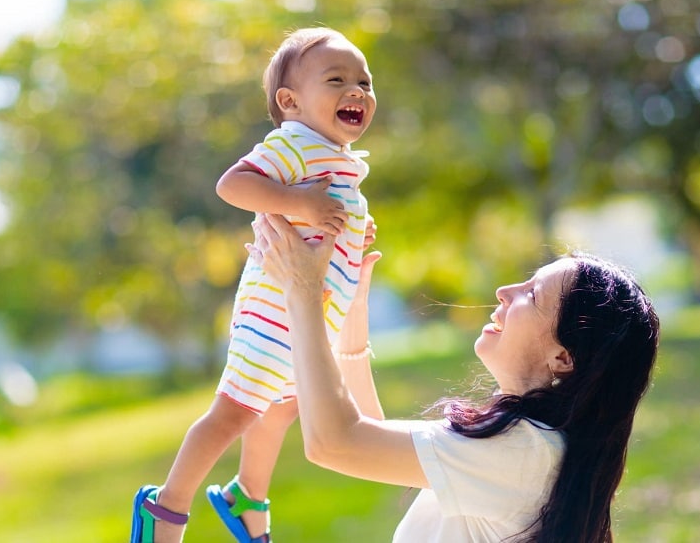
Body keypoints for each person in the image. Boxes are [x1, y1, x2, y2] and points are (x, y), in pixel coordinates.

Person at [249, 212, 660, 543]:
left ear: (563, 358)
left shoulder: (521, 450)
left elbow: (335, 443)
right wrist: (355, 309)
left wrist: (302, 288)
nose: (504, 290)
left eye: (531, 295)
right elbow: (371, 439)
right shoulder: (534, 445)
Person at [130, 27, 377, 543]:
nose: (357, 91)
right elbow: (234, 185)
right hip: (272, 316)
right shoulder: (294, 144)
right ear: (290, 102)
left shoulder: (341, 162)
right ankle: (166, 508)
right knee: (234, 412)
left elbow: (328, 220)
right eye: (337, 80)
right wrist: (301, 204)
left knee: (285, 406)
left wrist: (355, 228)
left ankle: (247, 495)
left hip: (308, 322)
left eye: (365, 82)